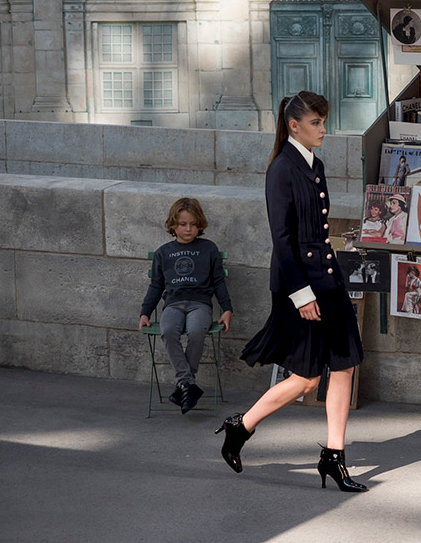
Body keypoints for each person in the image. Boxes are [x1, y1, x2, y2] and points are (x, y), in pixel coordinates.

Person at [217, 90, 367, 493]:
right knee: (305, 380)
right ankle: (241, 427)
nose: (323, 130)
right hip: (298, 284)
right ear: (293, 125)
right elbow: (282, 240)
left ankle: (334, 456)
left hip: (327, 278)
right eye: (316, 123)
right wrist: (302, 296)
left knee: (345, 365)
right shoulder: (282, 168)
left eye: (324, 122)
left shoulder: (314, 164)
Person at [139, 197, 233, 414]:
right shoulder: (164, 252)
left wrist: (227, 309)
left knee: (196, 331)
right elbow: (156, 285)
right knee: (168, 330)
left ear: (199, 224)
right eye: (182, 224)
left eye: (192, 224)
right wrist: (145, 312)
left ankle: (183, 385)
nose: (188, 228)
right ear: (173, 225)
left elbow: (219, 281)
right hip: (173, 304)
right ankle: (188, 384)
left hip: (200, 304)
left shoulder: (208, 249)